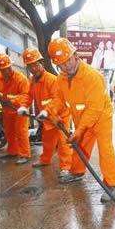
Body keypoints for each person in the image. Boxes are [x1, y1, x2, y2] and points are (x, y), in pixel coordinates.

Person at [38, 38, 115, 202]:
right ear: (57, 65)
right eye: (61, 64)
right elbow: (59, 100)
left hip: (101, 116)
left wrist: (80, 130)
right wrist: (49, 111)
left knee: (105, 149)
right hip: (82, 118)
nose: (66, 66)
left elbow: (94, 109)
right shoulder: (61, 79)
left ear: (75, 55)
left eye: (68, 60)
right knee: (80, 146)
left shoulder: (92, 76)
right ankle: (77, 172)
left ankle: (112, 184)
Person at [21, 48, 72, 179]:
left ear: (41, 63)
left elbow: (58, 99)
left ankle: (66, 167)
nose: (34, 68)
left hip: (60, 116)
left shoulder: (51, 79)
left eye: (35, 65)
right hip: (47, 117)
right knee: (47, 140)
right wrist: (23, 106)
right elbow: (28, 95)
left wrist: (46, 110)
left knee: (63, 143)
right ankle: (45, 160)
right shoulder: (32, 81)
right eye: (30, 66)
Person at [0, 53, 31, 164]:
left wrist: (11, 100)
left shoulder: (21, 79)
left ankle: (25, 154)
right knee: (9, 131)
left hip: (20, 110)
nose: (5, 71)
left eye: (7, 68)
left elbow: (26, 95)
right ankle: (12, 152)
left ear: (11, 66)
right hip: (7, 110)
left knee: (21, 131)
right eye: (2, 69)